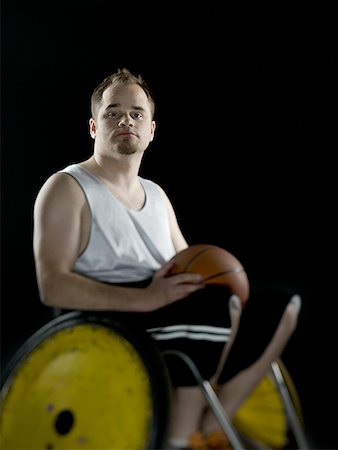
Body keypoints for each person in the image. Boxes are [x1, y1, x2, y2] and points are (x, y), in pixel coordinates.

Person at [33, 68, 301, 449]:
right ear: (94, 127)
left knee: (279, 308)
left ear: (151, 130)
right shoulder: (68, 186)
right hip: (107, 320)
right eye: (112, 112)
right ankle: (178, 439)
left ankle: (204, 428)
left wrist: (224, 282)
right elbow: (52, 286)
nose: (126, 119)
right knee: (208, 308)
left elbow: (189, 266)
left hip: (166, 308)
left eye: (136, 113)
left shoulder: (157, 196)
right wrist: (146, 299)